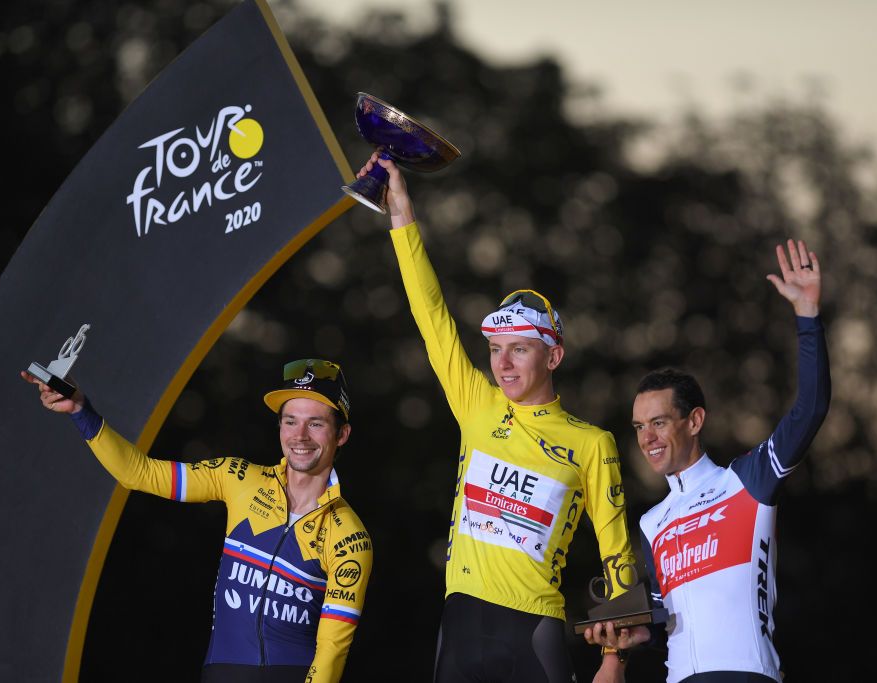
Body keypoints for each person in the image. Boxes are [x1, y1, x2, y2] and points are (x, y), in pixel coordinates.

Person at [356, 153, 638, 683]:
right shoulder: (478, 405)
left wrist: (614, 658)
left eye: (519, 350)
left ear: (553, 357)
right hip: (462, 625)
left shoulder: (591, 442)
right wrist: (401, 213)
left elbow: (615, 548)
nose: (502, 363)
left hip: (535, 630)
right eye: (495, 349)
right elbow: (431, 315)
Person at [21, 358, 372, 683]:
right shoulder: (239, 478)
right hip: (221, 671)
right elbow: (139, 473)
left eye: (316, 423)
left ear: (341, 434)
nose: (300, 436)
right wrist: (81, 411)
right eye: (290, 420)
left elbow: (332, 647)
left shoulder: (349, 536)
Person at [585, 239, 831, 683]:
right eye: (639, 427)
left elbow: (810, 409)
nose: (648, 438)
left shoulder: (747, 481)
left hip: (746, 674)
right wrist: (631, 635)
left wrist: (807, 316)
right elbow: (666, 619)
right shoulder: (652, 523)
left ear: (695, 420)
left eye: (659, 422)